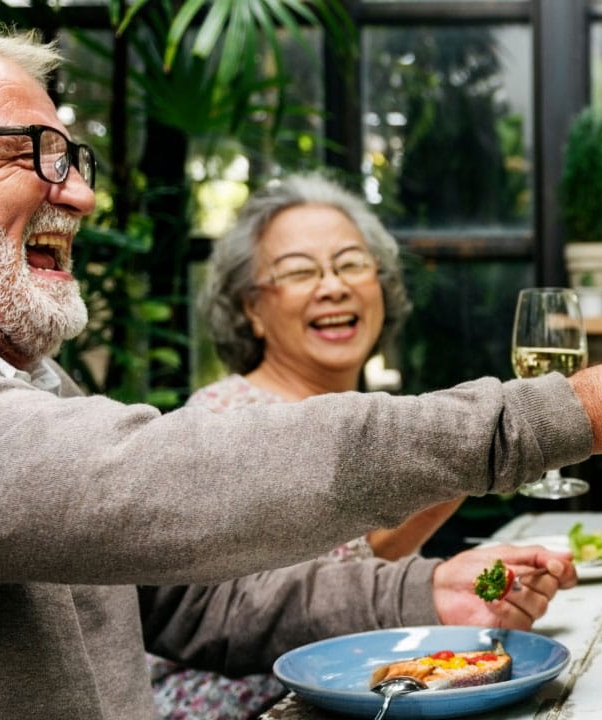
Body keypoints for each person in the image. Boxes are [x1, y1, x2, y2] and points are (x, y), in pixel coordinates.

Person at [0, 12, 602, 719]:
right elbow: (177, 482)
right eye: (28, 153)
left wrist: (422, 598)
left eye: (74, 158)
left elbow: (191, 600)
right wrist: (562, 412)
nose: (76, 196)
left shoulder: (8, 381)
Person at [144, 174, 470, 718]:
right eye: (299, 271)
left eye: (350, 264)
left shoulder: (366, 417)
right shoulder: (227, 422)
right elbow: (260, 617)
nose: (334, 286)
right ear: (251, 308)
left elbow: (353, 578)